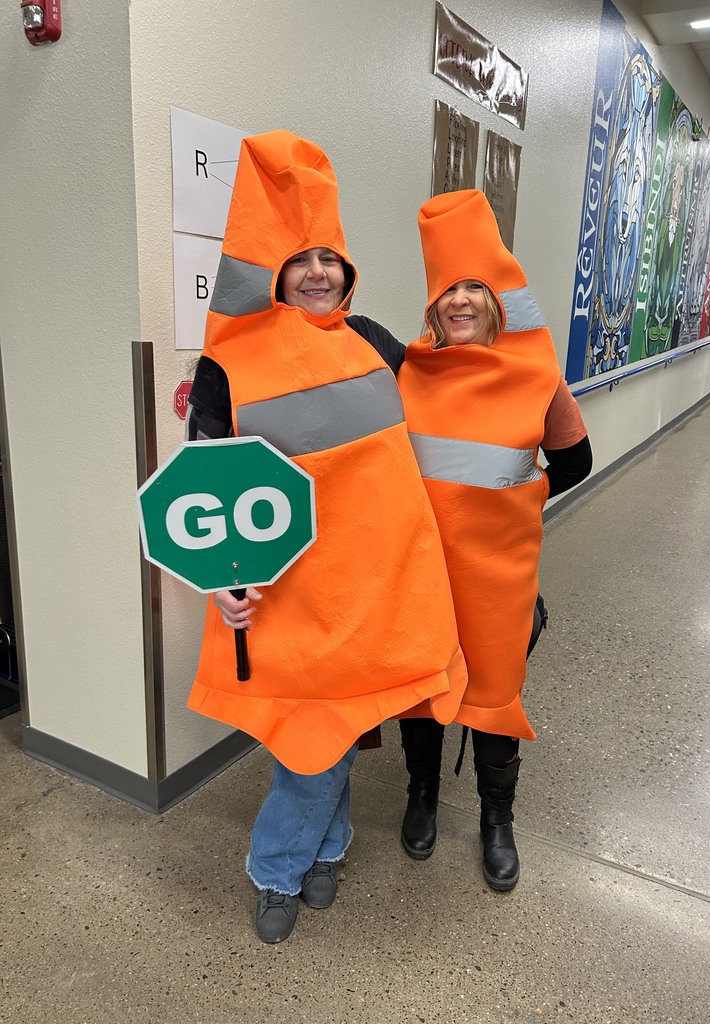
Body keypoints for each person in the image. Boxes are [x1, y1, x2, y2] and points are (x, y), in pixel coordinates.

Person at [185, 132, 466, 943]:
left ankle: (324, 854)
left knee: (339, 727)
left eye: (330, 257)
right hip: (287, 590)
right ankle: (280, 868)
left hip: (374, 584)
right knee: (312, 742)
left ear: (347, 269)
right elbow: (205, 484)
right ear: (274, 270)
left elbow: (450, 400)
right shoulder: (226, 365)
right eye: (300, 257)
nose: (317, 271)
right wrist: (224, 580)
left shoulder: (373, 342)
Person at [395, 189, 592, 892]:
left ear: (497, 300)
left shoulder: (538, 380)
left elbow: (573, 463)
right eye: (449, 289)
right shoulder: (405, 373)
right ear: (432, 305)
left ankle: (495, 819)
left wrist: (511, 512)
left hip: (498, 580)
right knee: (423, 689)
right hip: (420, 576)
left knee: (495, 694)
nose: (462, 301)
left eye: (475, 286)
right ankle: (421, 793)